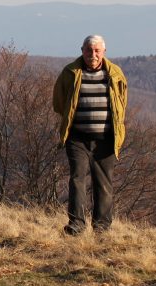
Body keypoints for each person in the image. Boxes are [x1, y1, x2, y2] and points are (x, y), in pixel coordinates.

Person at [52, 35, 128, 235]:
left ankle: (102, 228)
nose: (92, 54)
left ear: (104, 52)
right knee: (77, 180)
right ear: (82, 50)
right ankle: (76, 226)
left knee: (104, 183)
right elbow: (59, 103)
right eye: (88, 50)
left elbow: (121, 104)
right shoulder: (70, 73)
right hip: (77, 138)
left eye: (96, 51)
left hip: (106, 139)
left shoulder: (115, 74)